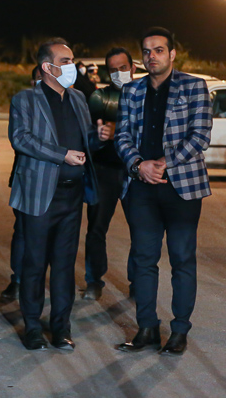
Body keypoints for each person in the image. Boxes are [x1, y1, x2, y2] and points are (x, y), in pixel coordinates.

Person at [115, 27, 212, 357]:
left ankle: (180, 330)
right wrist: (138, 164)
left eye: (158, 50)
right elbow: (122, 136)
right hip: (142, 187)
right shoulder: (131, 90)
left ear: (172, 54)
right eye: (146, 51)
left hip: (182, 188)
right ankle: (147, 327)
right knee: (144, 260)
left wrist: (165, 163)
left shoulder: (194, 86)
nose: (151, 56)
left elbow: (200, 135)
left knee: (182, 260)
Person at [8, 38, 110, 351]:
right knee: (34, 263)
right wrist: (61, 154)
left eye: (72, 60)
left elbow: (86, 141)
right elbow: (20, 139)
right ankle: (32, 327)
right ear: (47, 67)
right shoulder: (25, 99)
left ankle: (62, 328)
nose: (72, 67)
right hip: (39, 194)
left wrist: (99, 137)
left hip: (72, 195)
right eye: (66, 61)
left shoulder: (78, 98)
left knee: (65, 265)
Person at [81, 48, 137, 300]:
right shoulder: (99, 97)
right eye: (113, 69)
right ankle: (94, 281)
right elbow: (86, 137)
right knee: (96, 229)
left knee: (141, 230)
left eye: (123, 68)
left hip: (135, 172)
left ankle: (138, 282)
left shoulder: (145, 96)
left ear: (133, 68)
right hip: (104, 171)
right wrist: (98, 137)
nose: (118, 73)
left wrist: (118, 132)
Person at [0, 65, 41, 302]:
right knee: (23, 233)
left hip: (60, 184)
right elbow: (21, 140)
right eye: (39, 78)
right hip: (27, 180)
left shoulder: (70, 103)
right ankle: (17, 281)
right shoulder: (24, 104)